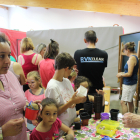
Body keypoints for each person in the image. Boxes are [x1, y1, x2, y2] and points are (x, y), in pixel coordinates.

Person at [45, 52, 86, 136]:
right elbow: (54, 113)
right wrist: (71, 102)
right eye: (72, 69)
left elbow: (70, 100)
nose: (72, 72)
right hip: (61, 130)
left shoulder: (66, 81)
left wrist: (75, 101)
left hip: (71, 125)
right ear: (66, 68)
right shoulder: (52, 87)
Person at [0, 34, 27, 140]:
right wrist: (3, 132)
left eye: (8, 55)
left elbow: (21, 99)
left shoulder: (9, 75)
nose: (8, 61)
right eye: (2, 56)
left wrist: (30, 106)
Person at [74, 30, 108, 95]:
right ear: (96, 40)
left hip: (82, 89)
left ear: (85, 40)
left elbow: (75, 70)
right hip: (97, 89)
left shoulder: (78, 53)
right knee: (97, 105)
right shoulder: (104, 54)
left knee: (82, 105)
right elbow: (101, 69)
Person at [116, 42, 139, 115]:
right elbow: (129, 71)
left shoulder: (132, 58)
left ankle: (125, 121)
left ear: (127, 50)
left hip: (129, 84)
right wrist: (122, 73)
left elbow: (129, 74)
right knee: (130, 101)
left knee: (123, 102)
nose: (124, 52)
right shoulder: (133, 57)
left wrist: (121, 75)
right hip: (130, 83)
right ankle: (130, 119)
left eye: (124, 50)